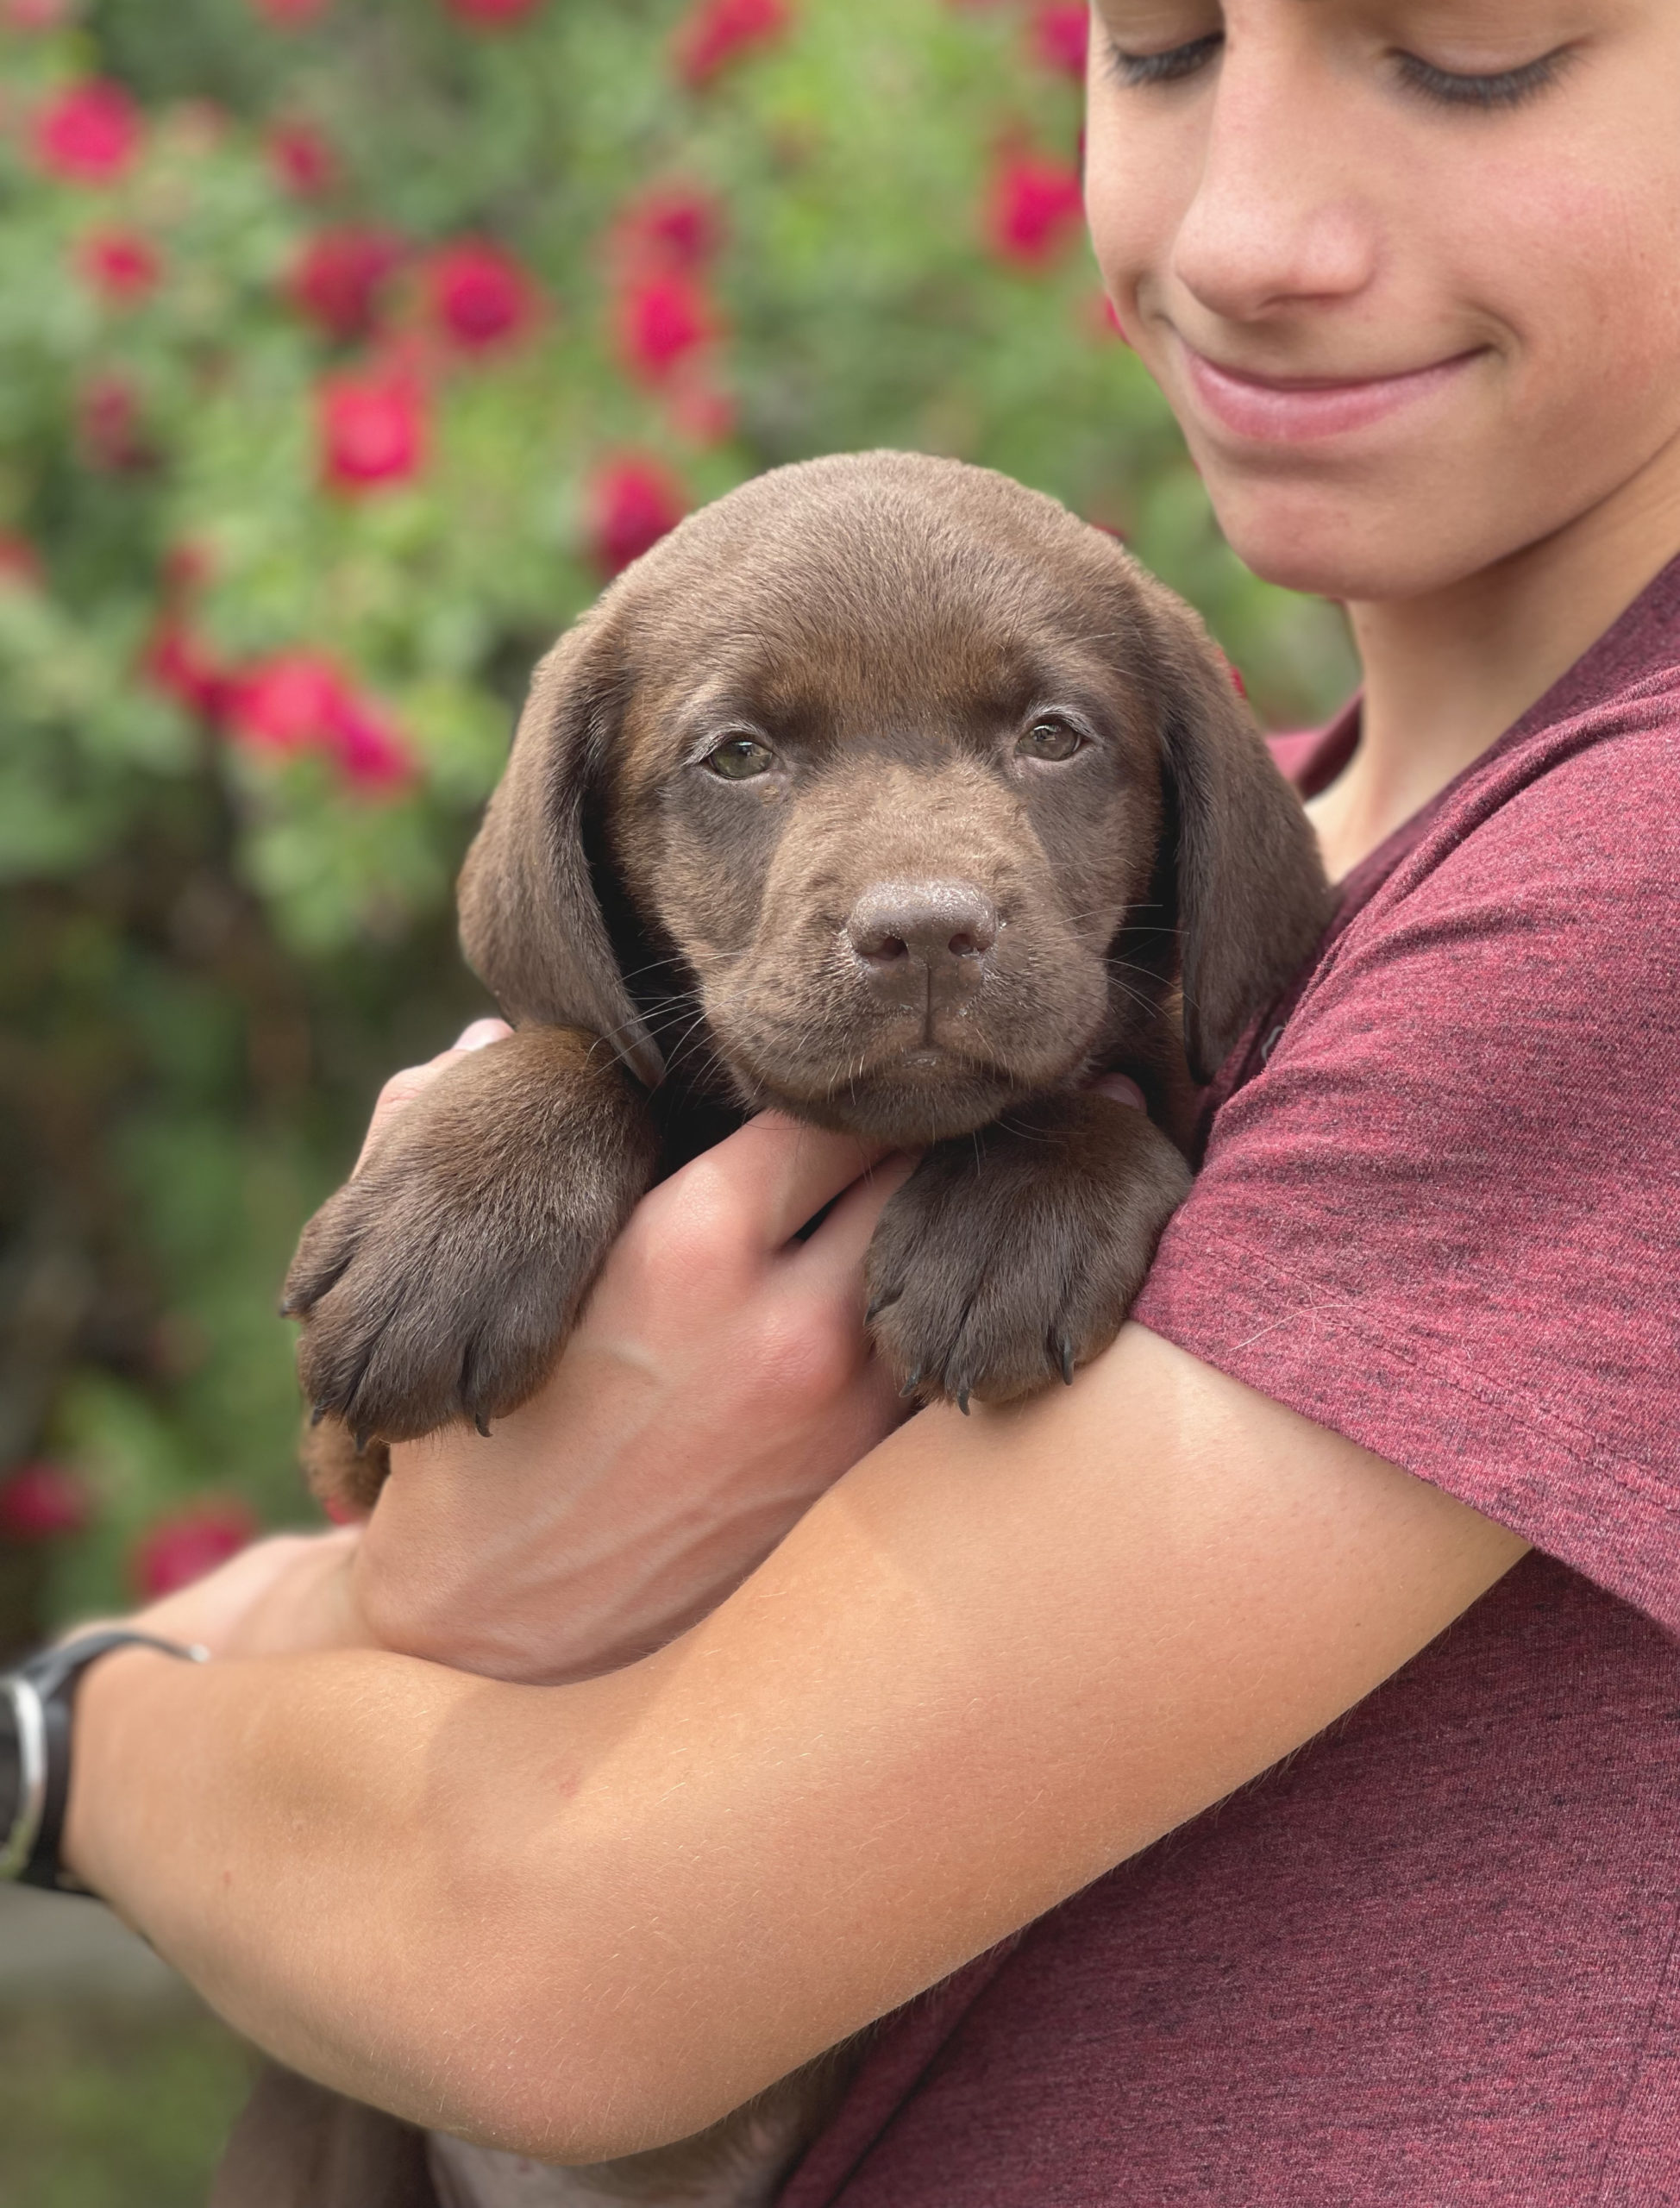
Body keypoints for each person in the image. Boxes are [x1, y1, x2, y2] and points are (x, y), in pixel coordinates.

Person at [16, 0, 1680, 2196]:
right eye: (1160, 43)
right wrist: (542, 1132)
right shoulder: (1243, 843)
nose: (1251, 230)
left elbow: (549, 1956)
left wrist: (73, 1742)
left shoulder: (1610, 886)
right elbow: (416, 1554)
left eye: (1469, 56)